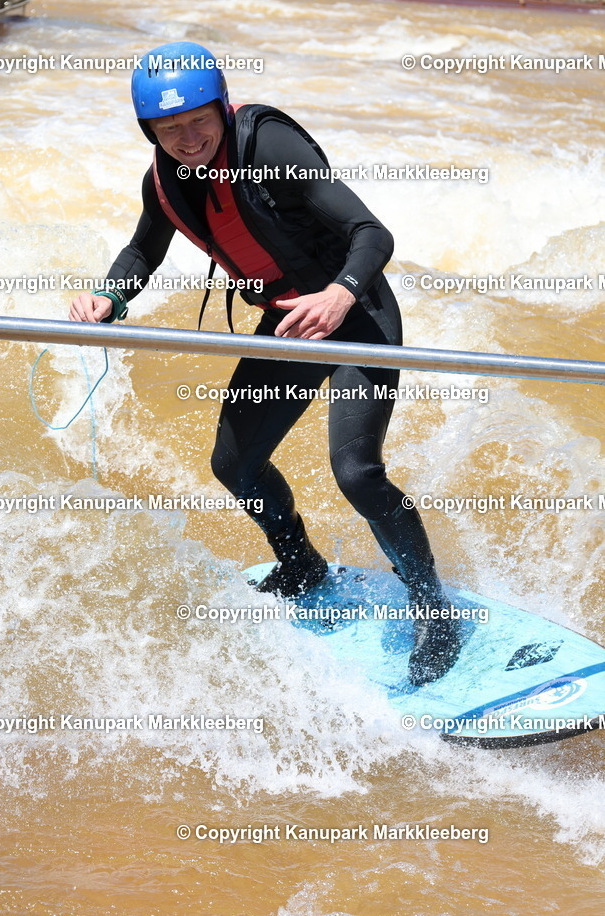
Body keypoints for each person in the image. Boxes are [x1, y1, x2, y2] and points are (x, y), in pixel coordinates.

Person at [69, 40, 461, 687]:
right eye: (169, 129)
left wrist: (338, 295)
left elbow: (372, 233)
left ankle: (432, 607)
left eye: (199, 121)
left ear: (223, 109)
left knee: (357, 473)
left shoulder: (270, 147)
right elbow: (143, 250)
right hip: (286, 326)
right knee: (235, 463)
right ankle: (301, 564)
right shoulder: (164, 179)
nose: (187, 139)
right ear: (149, 132)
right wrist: (108, 297)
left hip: (355, 314)